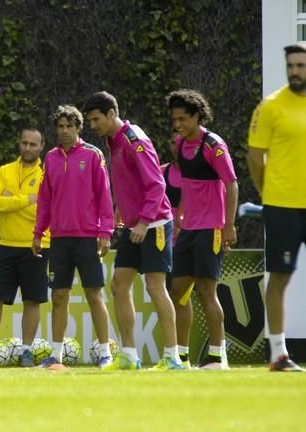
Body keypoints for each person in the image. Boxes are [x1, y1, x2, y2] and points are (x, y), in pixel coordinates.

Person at [85, 91, 183, 371]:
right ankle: (129, 355)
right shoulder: (112, 139)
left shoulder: (134, 140)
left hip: (153, 224)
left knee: (155, 287)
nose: (93, 125)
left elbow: (156, 185)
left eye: (96, 119)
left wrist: (143, 222)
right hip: (133, 225)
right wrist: (122, 212)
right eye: (90, 120)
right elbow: (129, 182)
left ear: (112, 114)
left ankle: (173, 357)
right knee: (119, 285)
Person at [32, 105, 115, 370]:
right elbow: (45, 199)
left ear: (79, 128)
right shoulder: (51, 158)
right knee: (59, 297)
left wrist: (105, 232)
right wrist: (38, 232)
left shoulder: (93, 155)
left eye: (70, 126)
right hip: (59, 239)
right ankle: (55, 356)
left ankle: (105, 354)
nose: (65, 131)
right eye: (60, 127)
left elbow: (104, 195)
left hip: (88, 237)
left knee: (94, 294)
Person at [166, 89, 239, 370]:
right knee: (178, 291)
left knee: (207, 293)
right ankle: (181, 356)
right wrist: (181, 217)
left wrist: (228, 225)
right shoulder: (183, 146)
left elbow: (231, 183)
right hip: (190, 229)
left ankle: (217, 356)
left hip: (212, 227)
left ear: (197, 116)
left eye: (183, 119)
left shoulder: (213, 145)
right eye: (175, 119)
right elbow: (188, 186)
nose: (178, 125)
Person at [248, 42, 306, 372]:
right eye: (291, 66)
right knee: (280, 277)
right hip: (282, 206)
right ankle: (279, 353)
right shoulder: (270, 107)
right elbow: (256, 158)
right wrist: (268, 192)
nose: (295, 71)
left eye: (301, 65)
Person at [0, 127, 49, 367]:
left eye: (33, 144)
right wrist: (25, 199)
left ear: (42, 146)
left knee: (32, 300)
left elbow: (44, 209)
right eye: (25, 143)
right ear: (19, 144)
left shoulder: (47, 173)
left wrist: (10, 199)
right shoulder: (4, 171)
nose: (28, 148)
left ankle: (27, 352)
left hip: (38, 244)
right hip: (6, 245)